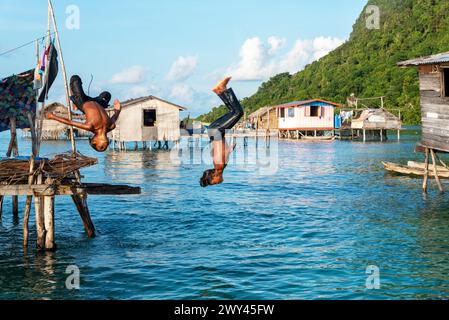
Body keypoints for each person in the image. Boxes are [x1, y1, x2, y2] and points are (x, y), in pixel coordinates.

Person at [45, 75, 121, 152]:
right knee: (107, 94)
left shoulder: (90, 126)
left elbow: (69, 122)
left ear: (94, 141)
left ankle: (74, 100)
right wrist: (118, 110)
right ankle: (95, 102)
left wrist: (53, 117)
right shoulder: (111, 126)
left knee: (75, 78)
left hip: (83, 102)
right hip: (97, 102)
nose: (104, 147)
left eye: (101, 147)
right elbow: (115, 117)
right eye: (105, 147)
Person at [200, 76, 244, 187]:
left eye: (214, 183)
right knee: (234, 111)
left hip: (217, 132)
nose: (217, 183)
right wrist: (229, 150)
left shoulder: (219, 166)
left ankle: (221, 89)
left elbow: (217, 149)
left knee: (238, 113)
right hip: (214, 132)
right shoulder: (220, 166)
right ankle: (220, 90)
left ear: (214, 177)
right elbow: (217, 151)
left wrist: (227, 150)